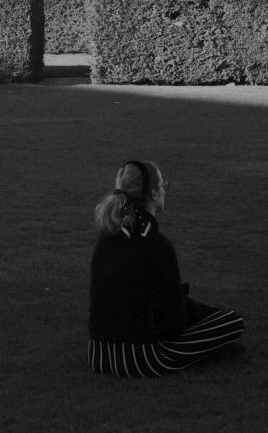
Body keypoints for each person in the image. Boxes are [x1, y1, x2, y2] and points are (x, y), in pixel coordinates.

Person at [88, 159, 244, 377]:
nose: (164, 191)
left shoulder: (107, 237)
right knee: (233, 322)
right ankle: (213, 352)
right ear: (153, 193)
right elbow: (175, 326)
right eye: (163, 186)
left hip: (98, 355)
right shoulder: (157, 245)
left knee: (190, 316)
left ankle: (215, 349)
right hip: (140, 360)